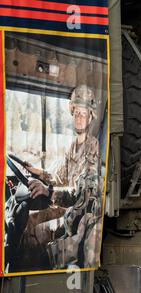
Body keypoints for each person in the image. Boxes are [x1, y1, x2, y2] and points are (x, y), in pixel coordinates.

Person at [7, 85, 102, 271]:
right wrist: (39, 172)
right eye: (76, 113)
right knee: (28, 222)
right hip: (65, 209)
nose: (79, 118)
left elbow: (83, 195)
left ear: (91, 117)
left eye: (83, 114)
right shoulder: (73, 147)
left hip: (78, 217)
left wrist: (48, 192)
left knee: (32, 231)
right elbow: (59, 176)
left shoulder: (93, 148)